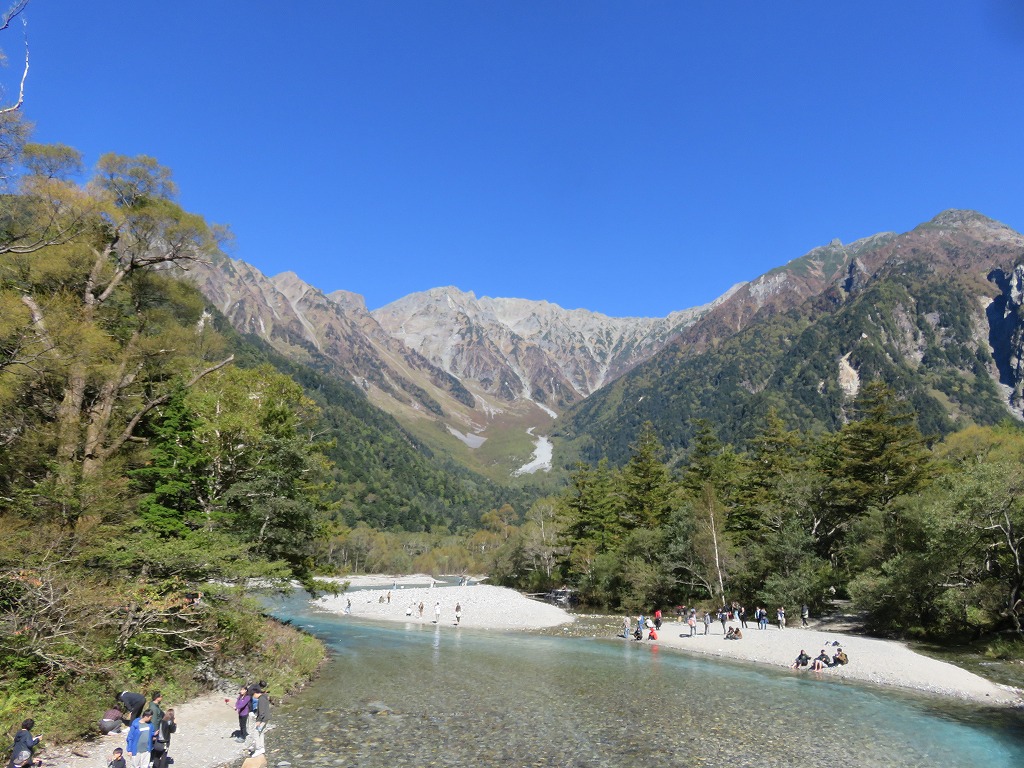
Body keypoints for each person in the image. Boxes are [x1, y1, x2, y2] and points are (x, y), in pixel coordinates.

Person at [249, 688, 270, 757]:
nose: (253, 697)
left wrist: (259, 721)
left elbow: (261, 711)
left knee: (256, 732)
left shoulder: (261, 699)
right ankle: (262, 748)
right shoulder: (265, 697)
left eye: (253, 695)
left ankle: (258, 748)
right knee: (261, 732)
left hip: (262, 720)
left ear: (255, 694)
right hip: (266, 718)